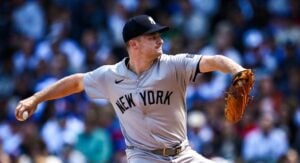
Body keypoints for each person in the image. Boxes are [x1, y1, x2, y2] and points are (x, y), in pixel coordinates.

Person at [15, 15, 247, 162]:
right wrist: (36, 98)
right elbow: (76, 82)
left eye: (159, 35)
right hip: (142, 157)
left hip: (183, 154)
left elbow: (214, 60)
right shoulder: (111, 75)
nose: (161, 40)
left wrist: (238, 72)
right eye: (152, 36)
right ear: (133, 44)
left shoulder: (174, 65)